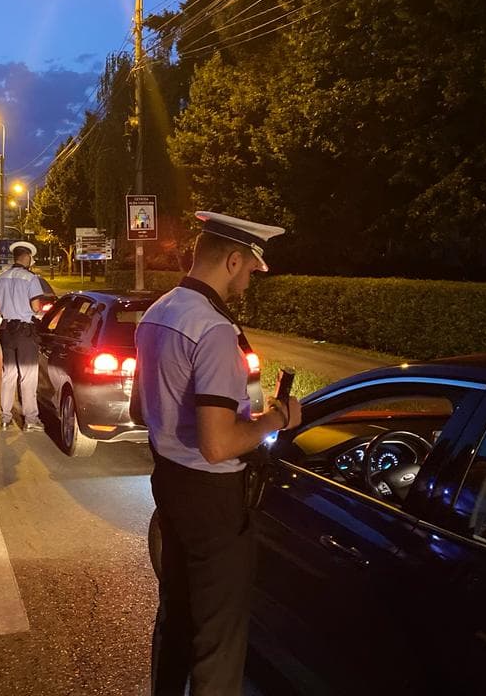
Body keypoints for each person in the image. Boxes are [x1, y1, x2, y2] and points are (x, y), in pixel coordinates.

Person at [134, 212, 301, 695]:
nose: (248, 281)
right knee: (218, 639)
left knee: (177, 612)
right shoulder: (214, 330)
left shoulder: (157, 313)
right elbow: (218, 445)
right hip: (214, 500)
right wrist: (275, 419)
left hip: (169, 483)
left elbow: (141, 410)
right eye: (250, 269)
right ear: (232, 261)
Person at [0, 241, 46, 432]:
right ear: (28, 258)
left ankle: (5, 418)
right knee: (28, 376)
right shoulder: (31, 278)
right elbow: (36, 307)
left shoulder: (0, 278)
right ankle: (31, 419)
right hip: (25, 332)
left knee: (8, 374)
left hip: (6, 331)